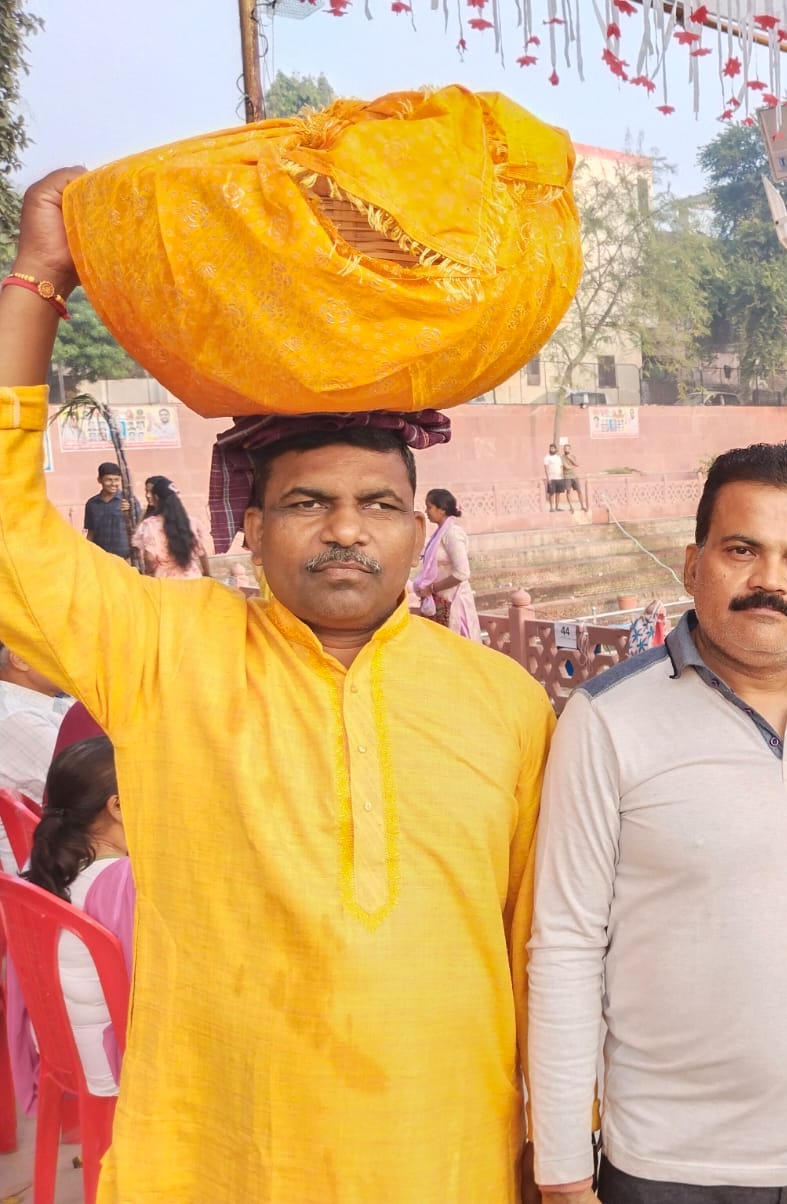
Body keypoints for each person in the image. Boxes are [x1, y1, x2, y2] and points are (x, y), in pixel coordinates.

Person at [0, 169, 555, 1202]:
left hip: (450, 1159)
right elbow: (8, 532)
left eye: (378, 504)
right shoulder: (166, 646)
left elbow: (539, 950)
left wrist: (554, 1152)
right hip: (222, 1160)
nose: (346, 528)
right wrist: (39, 276)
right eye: (308, 501)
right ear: (248, 529)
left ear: (419, 531)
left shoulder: (507, 703)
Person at [530, 443, 787, 1204]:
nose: (770, 581)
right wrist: (564, 1170)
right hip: (670, 1167)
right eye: (742, 550)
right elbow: (566, 945)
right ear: (693, 563)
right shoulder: (607, 719)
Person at [6, 736, 134, 1105]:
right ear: (119, 806)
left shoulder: (43, 860)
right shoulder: (122, 882)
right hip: (114, 1062)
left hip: (60, 1047)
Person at [0, 639, 69, 869]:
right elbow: (95, 784)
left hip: (64, 849)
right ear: (18, 659)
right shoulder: (15, 717)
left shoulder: (50, 704)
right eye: (57, 651)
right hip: (52, 865)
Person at [413, 487, 482, 642]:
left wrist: (433, 588)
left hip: (454, 602)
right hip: (440, 601)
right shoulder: (439, 534)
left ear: (442, 509)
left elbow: (462, 573)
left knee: (458, 650)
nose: (426, 511)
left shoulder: (452, 534)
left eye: (429, 507)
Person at [132, 474, 209, 579]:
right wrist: (208, 574)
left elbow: (149, 557)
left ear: (156, 498)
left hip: (165, 581)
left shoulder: (150, 525)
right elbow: (201, 552)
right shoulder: (191, 522)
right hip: (193, 579)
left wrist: (149, 574)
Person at [82, 460, 140, 563]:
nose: (113, 484)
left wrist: (130, 513)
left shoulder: (128, 500)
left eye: (116, 480)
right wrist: (86, 554)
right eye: (108, 480)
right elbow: (90, 533)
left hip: (126, 559)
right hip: (101, 559)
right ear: (99, 480)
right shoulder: (92, 504)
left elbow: (139, 528)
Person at [544, 441, 583, 512]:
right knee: (555, 493)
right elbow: (566, 467)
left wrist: (570, 458)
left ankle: (558, 507)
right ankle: (553, 508)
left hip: (566, 477)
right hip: (559, 477)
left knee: (559, 493)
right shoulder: (554, 457)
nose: (566, 450)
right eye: (565, 449)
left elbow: (575, 464)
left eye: (568, 449)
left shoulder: (564, 457)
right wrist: (548, 478)